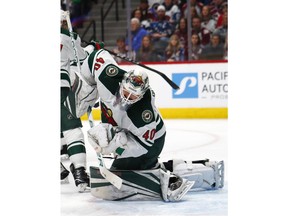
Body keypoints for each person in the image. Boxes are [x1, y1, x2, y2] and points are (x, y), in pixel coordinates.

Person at [73, 41, 225, 201]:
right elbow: (96, 57)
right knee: (133, 167)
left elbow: (142, 146)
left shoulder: (144, 114)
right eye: (126, 91)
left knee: (128, 169)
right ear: (123, 82)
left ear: (142, 94)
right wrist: (88, 86)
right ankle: (167, 167)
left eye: (133, 96)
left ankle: (174, 177)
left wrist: (115, 146)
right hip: (124, 131)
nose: (127, 98)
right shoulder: (108, 75)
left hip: (151, 142)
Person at [60, 10, 90, 192]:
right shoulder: (66, 37)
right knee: (72, 129)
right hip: (61, 87)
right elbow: (83, 59)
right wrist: (90, 48)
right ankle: (79, 171)